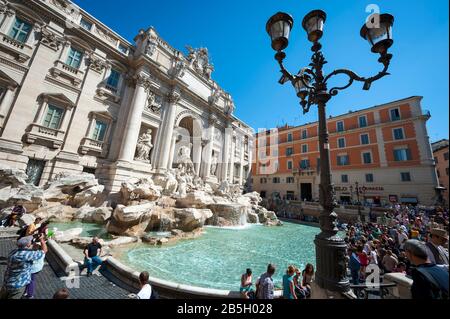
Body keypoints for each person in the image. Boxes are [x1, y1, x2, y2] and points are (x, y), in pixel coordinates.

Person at [0, 235, 47, 299]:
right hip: (18, 286)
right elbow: (44, 251)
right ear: (28, 245)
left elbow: (25, 251)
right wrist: (42, 240)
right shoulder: (26, 255)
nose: (31, 242)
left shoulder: (14, 252)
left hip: (7, 283)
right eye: (31, 241)